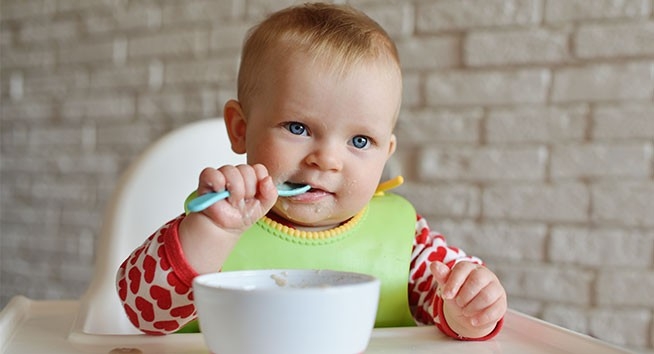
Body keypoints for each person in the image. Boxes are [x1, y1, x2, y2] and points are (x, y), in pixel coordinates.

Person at [117, 2, 507, 340]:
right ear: (241, 128)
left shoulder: (408, 241)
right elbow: (142, 310)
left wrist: (468, 308)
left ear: (385, 153)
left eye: (359, 141)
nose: (327, 160)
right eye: (298, 128)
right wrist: (213, 231)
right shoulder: (215, 219)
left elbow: (450, 297)